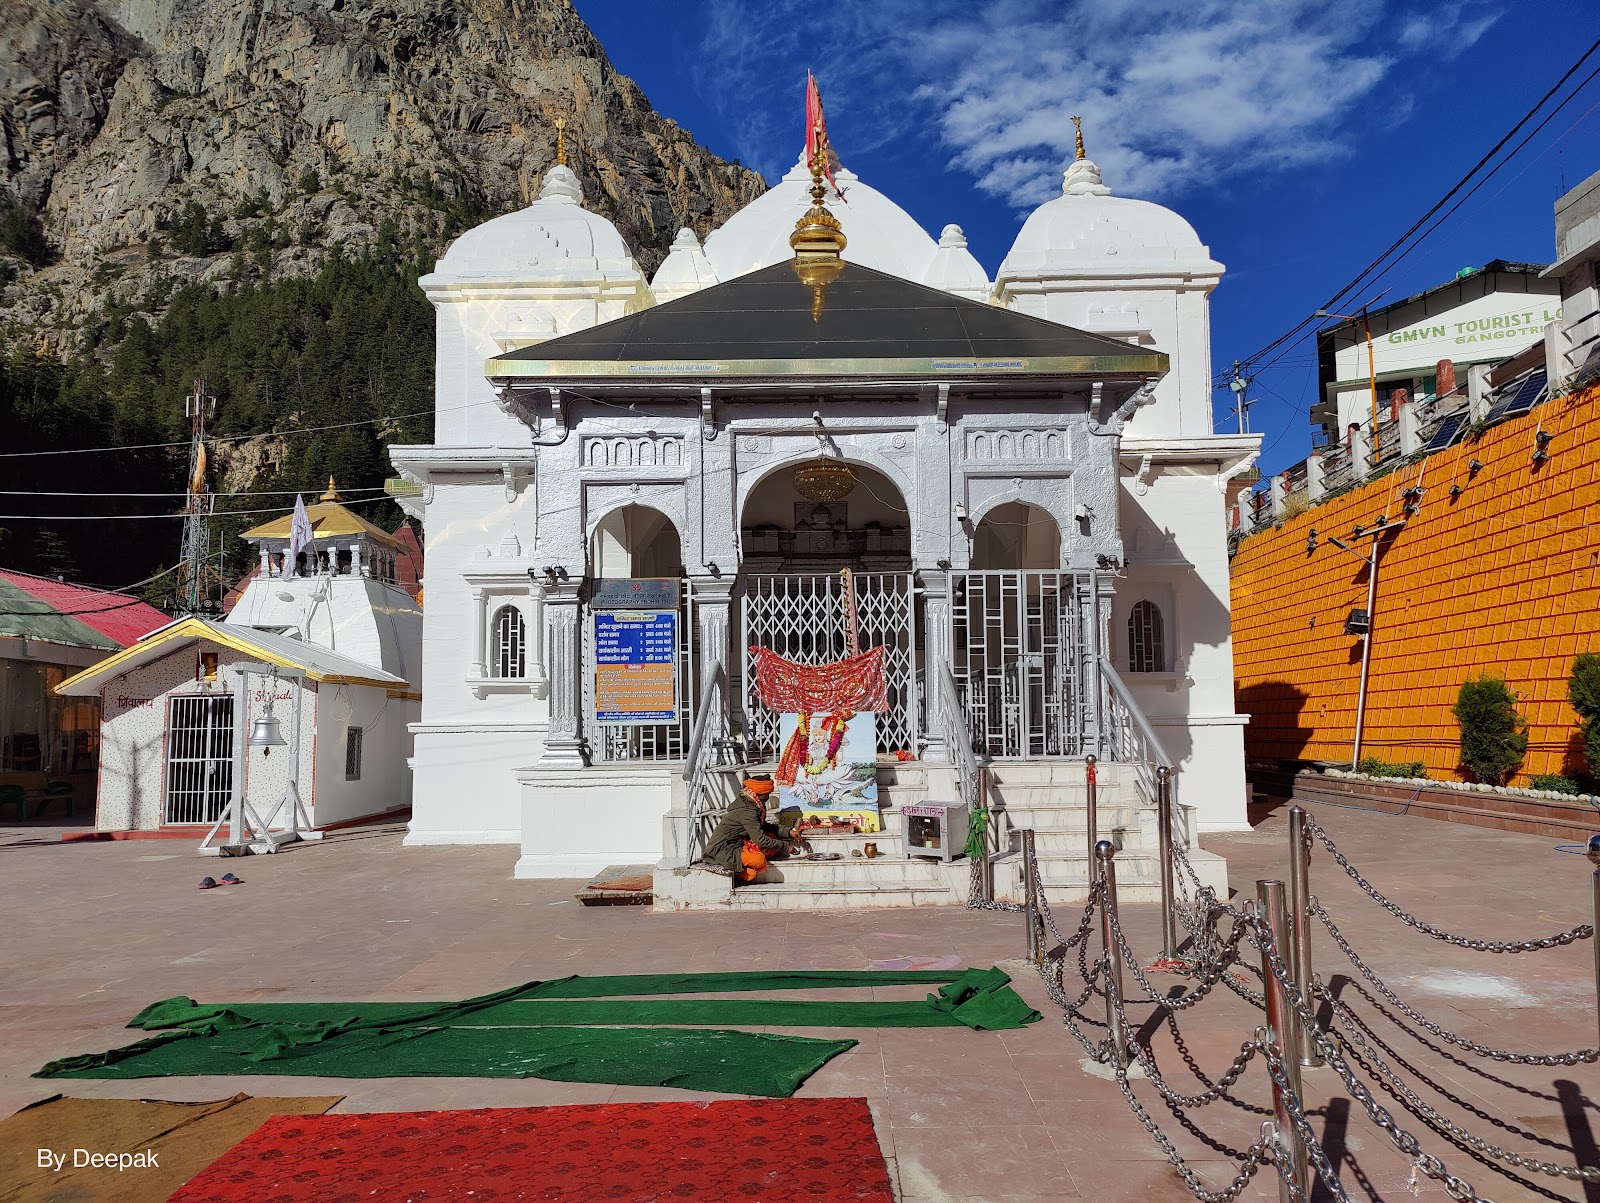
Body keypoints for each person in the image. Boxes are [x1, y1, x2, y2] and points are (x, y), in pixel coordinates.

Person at [702, 773, 801, 884]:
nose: (768, 797)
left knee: (772, 838)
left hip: (739, 843)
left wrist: (788, 832)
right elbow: (761, 840)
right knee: (758, 862)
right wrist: (786, 847)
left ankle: (747, 858)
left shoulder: (755, 803)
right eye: (767, 794)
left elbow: (763, 826)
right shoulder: (748, 811)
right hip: (723, 848)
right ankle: (736, 867)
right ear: (760, 794)